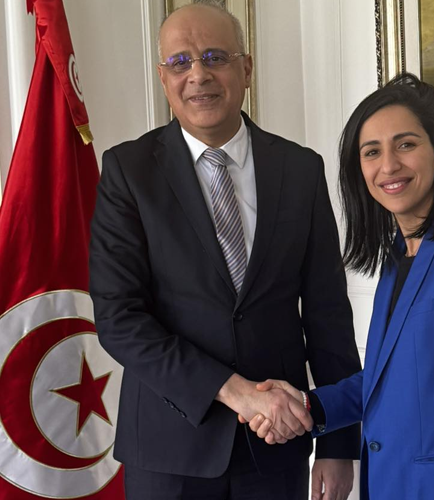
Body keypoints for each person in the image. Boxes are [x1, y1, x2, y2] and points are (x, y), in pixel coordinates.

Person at [88, 3, 361, 499]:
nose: (199, 75)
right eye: (181, 62)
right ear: (163, 78)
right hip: (169, 451)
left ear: (246, 69)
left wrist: (338, 443)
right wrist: (235, 391)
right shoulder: (129, 172)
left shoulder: (300, 169)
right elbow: (119, 319)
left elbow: (328, 315)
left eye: (215, 57)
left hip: (277, 447)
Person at [245, 74, 434, 500]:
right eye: (372, 152)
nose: (389, 165)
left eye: (406, 145)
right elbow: (387, 381)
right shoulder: (400, 253)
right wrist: (309, 406)